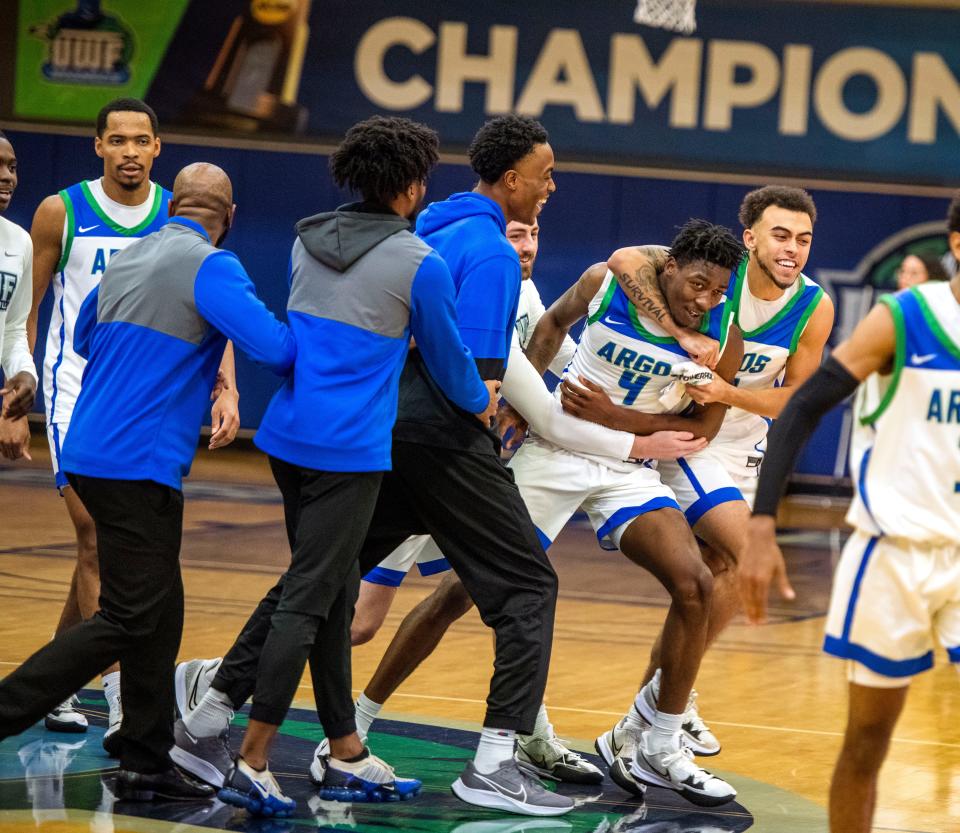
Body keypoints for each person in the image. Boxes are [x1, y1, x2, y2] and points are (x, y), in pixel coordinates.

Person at [176, 115, 577, 818]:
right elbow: (469, 375)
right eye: (545, 175)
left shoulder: (407, 230)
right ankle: (491, 760)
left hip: (350, 432)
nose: (551, 187)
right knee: (527, 583)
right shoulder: (474, 251)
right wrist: (488, 409)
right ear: (510, 180)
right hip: (422, 439)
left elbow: (301, 340)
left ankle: (219, 705)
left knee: (320, 581)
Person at [0, 162, 295, 802]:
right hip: (138, 463)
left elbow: (81, 336)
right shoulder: (214, 267)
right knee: (129, 617)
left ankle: (144, 754)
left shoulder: (128, 262)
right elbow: (278, 350)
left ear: (172, 207)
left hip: (89, 451)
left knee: (161, 611)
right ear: (230, 216)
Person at [569, 187, 833, 766]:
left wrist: (732, 391)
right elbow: (624, 260)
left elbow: (799, 400)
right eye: (781, 235)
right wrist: (682, 332)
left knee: (715, 578)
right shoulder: (716, 275)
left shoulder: (814, 305)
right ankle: (665, 707)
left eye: (804, 239)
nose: (793, 249)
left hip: (747, 447)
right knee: (743, 556)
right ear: (751, 238)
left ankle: (644, 721)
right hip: (694, 437)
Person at [740, 191, 960, 833]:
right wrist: (761, 525)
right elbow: (803, 407)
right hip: (895, 553)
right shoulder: (906, 318)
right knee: (868, 739)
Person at [27, 98, 240, 746]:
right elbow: (26, 313)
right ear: (97, 145)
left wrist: (225, 384)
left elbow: (212, 307)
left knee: (104, 552)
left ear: (157, 147)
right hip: (76, 389)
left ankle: (66, 679)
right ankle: (121, 700)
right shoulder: (61, 211)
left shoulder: (176, 210)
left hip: (145, 403)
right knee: (98, 540)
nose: (127, 150)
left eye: (139, 139)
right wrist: (21, 389)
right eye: (115, 138)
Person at [514, 219, 743, 807]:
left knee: (696, 581)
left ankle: (658, 745)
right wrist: (522, 404)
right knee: (470, 591)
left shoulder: (724, 335)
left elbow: (701, 430)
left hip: (626, 463)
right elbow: (552, 323)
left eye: (718, 291)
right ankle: (359, 725)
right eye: (697, 284)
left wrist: (619, 420)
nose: (706, 300)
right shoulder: (609, 282)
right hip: (557, 447)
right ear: (667, 268)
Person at [0, 130, 39, 460]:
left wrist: (24, 374)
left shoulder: (18, 242)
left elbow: (12, 329)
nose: (6, 177)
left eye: (12, 167)